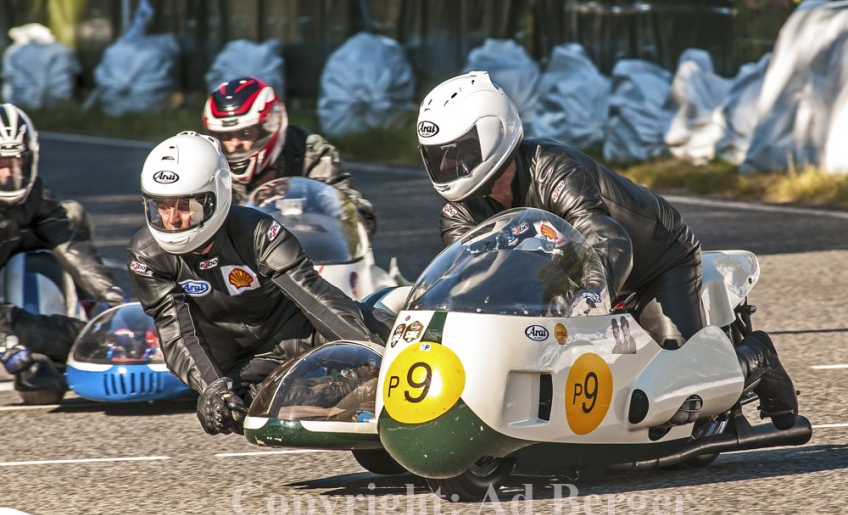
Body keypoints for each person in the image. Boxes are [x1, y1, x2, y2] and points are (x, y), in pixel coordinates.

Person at [415, 71, 798, 430]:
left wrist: (585, 307)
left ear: (494, 135)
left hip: (655, 262)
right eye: (437, 157)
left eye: (456, 153)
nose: (447, 166)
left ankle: (755, 356)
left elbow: (607, 241)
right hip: (566, 284)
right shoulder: (458, 214)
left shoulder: (555, 170)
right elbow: (473, 284)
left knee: (673, 387)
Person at [126, 131, 389, 436]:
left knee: (391, 333)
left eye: (184, 205)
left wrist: (366, 351)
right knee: (235, 409)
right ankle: (343, 393)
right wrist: (212, 390)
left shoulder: (258, 231)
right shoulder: (146, 255)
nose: (171, 219)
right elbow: (177, 334)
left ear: (216, 195)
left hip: (301, 334)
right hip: (244, 367)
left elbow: (314, 296)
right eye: (161, 205)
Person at [0, 104, 126, 392]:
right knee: (22, 340)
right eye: (1, 163)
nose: (10, 173)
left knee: (72, 214)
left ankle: (91, 313)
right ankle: (84, 339)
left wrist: (113, 300)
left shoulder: (34, 194)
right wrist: (7, 344)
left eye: (17, 160)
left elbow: (68, 242)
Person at [202, 76, 377, 237]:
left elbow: (358, 215)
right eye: (225, 136)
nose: (235, 144)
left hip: (307, 255)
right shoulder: (208, 163)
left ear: (270, 125)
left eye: (246, 133)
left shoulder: (310, 152)